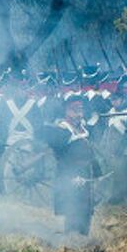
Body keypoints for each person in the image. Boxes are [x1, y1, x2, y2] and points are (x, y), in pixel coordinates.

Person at [42, 94, 100, 235]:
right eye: (74, 110)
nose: (78, 114)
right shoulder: (62, 130)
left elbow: (90, 153)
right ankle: (71, 238)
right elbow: (61, 158)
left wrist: (97, 172)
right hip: (70, 175)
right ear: (66, 112)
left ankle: (83, 237)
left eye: (80, 110)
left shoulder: (83, 128)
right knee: (72, 208)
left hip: (85, 173)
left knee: (85, 209)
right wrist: (72, 177)